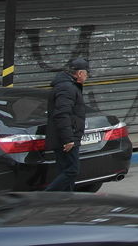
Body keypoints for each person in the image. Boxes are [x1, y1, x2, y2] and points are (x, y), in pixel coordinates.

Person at [44, 57, 89, 192]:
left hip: (67, 136)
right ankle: (44, 198)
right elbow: (62, 114)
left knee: (65, 171)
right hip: (66, 139)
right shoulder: (67, 88)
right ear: (80, 73)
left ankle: (66, 201)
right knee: (72, 171)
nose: (87, 77)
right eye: (86, 74)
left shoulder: (67, 86)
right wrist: (68, 139)